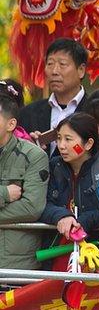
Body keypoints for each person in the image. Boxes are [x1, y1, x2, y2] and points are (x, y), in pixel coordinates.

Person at [40, 113, 99, 240]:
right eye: (59, 138)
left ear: (88, 144)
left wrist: (87, 219)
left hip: (95, 250)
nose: (61, 145)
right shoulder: (54, 166)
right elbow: (42, 205)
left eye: (68, 139)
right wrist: (62, 216)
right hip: (57, 248)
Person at [0, 91, 50, 271]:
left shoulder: (33, 156)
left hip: (16, 264)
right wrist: (5, 193)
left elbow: (32, 208)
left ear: (11, 124)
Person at [20, 38, 90, 145]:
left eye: (62, 64)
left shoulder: (95, 112)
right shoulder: (28, 113)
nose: (54, 71)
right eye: (50, 64)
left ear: (81, 70)